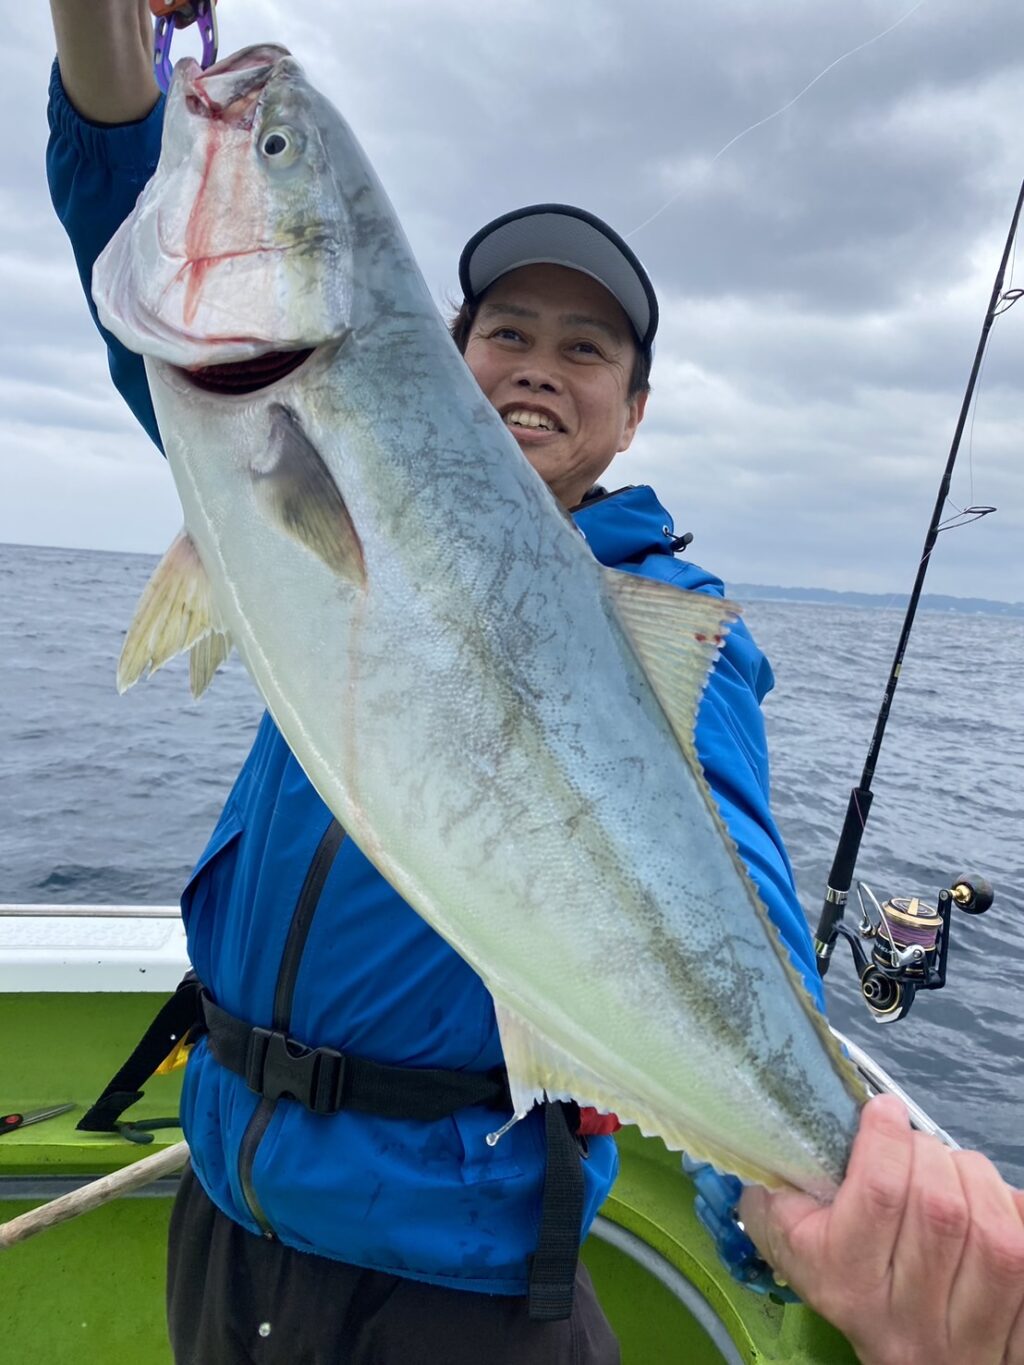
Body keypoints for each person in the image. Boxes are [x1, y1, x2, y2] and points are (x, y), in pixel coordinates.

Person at [45, 6, 1024, 1364]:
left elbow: (722, 878)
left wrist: (790, 1186)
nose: (538, 370)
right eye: (507, 330)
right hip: (231, 1219)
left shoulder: (677, 631)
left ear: (634, 411)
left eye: (587, 350)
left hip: (460, 1290)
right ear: (446, 354)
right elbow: (117, 190)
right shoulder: (267, 436)